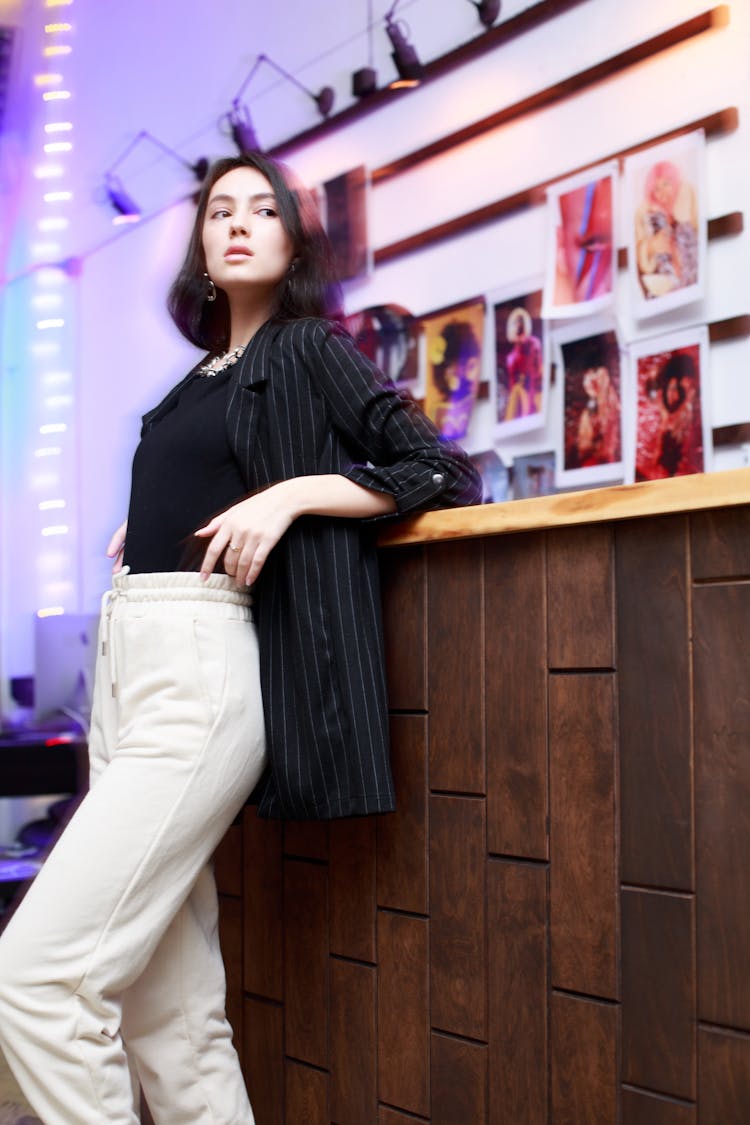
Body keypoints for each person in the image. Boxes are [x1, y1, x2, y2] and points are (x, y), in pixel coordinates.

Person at [0, 153, 482, 1124]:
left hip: (201, 674)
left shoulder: (306, 348)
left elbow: (435, 466)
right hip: (131, 668)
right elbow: (211, 468)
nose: (239, 222)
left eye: (264, 208)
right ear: (202, 253)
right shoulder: (197, 381)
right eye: (220, 210)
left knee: (37, 981)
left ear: (294, 241)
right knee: (170, 1021)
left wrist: (294, 495)